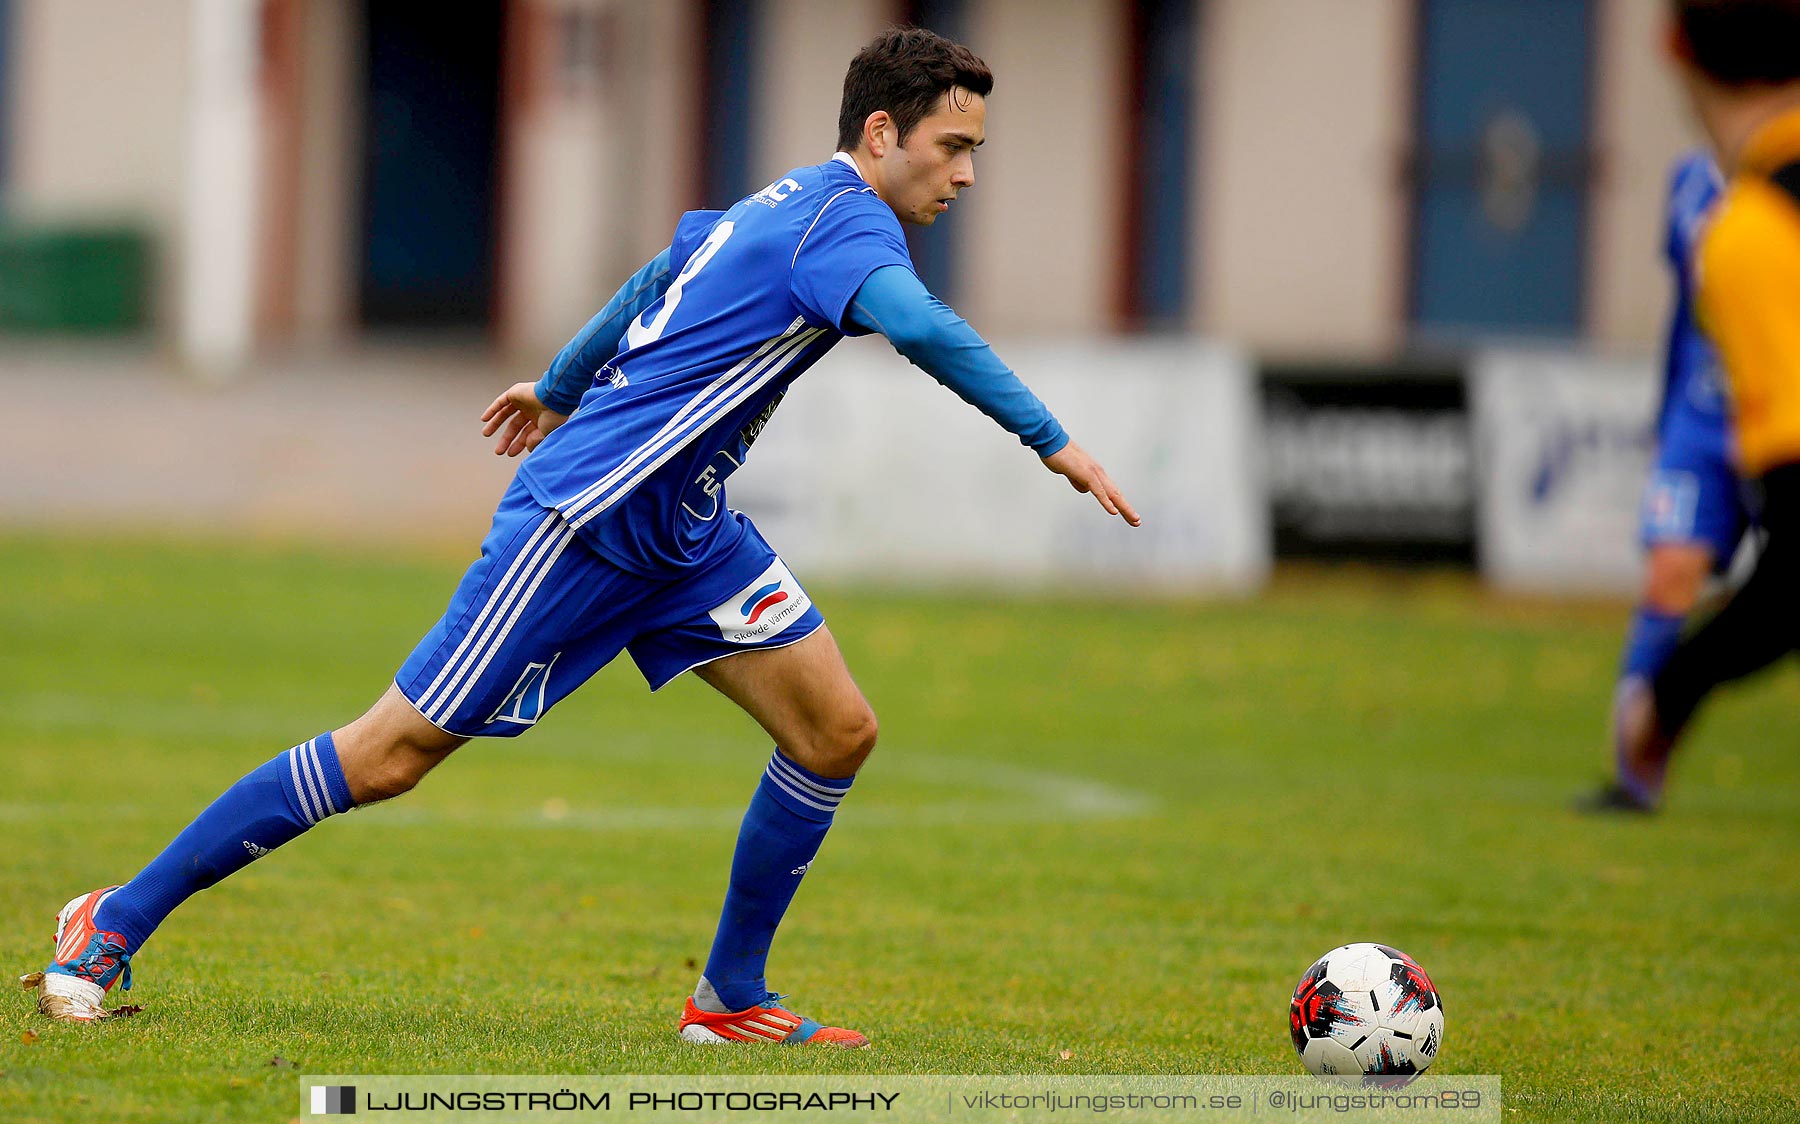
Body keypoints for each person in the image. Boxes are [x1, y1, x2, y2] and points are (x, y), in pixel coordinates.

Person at [21, 28, 1139, 1042]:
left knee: (836, 729)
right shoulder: (846, 231)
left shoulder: (785, 202)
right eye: (952, 146)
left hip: (686, 538)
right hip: (585, 523)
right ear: (883, 132)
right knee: (390, 753)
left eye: (975, 150)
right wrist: (1052, 438)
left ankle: (730, 998)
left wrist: (559, 379)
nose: (967, 174)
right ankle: (110, 916)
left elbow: (667, 266)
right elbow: (919, 326)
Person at [1612, 0, 1800, 803]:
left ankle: (1636, 755)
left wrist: (1675, 692)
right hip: (1705, 416)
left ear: (1673, 46)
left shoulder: (1754, 236)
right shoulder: (1710, 198)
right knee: (1672, 570)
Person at [1580, 148, 1752, 814]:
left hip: (1779, 416)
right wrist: (1667, 408)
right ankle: (1635, 780)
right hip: (1700, 421)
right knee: (1668, 574)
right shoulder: (1691, 180)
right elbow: (1684, 309)